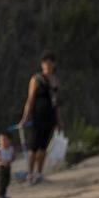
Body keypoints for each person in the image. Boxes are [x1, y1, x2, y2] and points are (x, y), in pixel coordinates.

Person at [18, 52, 63, 185]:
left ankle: (39, 173)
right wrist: (25, 117)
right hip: (37, 117)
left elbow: (57, 103)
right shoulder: (36, 79)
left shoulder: (55, 81)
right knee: (33, 147)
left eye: (50, 63)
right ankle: (30, 174)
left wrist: (59, 120)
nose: (47, 66)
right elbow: (30, 100)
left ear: (53, 64)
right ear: (42, 64)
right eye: (45, 63)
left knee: (43, 147)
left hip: (50, 117)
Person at [0, 132, 16, 198]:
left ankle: (4, 195)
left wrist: (10, 160)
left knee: (7, 181)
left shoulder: (11, 148)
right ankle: (0, 196)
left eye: (5, 139)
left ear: (9, 140)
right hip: (0, 168)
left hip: (8, 167)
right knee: (1, 182)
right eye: (1, 140)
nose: (3, 141)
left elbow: (13, 157)